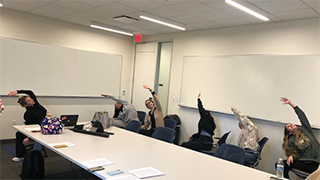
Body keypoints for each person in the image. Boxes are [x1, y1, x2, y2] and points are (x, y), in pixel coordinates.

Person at [279, 97, 320, 179]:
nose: (291, 125)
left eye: (291, 124)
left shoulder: (306, 130)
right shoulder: (291, 140)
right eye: (288, 127)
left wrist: (291, 104)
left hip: (318, 161)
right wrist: (292, 156)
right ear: (289, 132)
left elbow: (302, 116)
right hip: (306, 163)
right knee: (280, 164)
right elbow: (296, 154)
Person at [8, 90, 47, 161]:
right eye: (29, 100)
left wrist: (17, 91)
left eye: (31, 99)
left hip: (45, 127)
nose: (32, 100)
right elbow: (28, 126)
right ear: (26, 105)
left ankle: (35, 154)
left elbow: (30, 92)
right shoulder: (28, 115)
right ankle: (21, 155)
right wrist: (26, 137)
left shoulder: (36, 105)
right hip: (35, 129)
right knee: (19, 134)